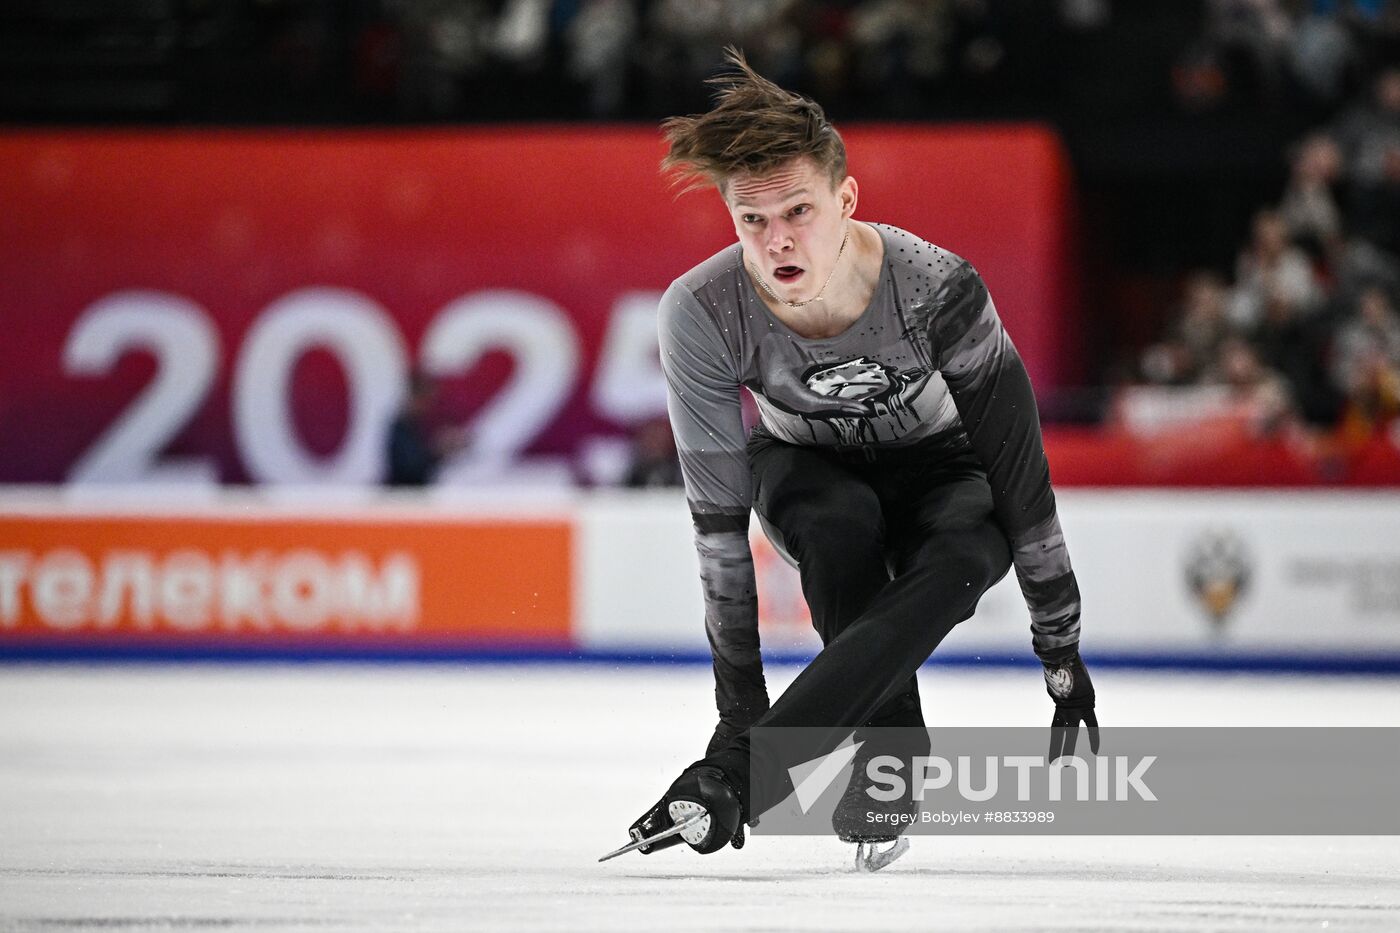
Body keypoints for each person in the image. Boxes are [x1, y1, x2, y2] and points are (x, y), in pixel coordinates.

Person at [620, 49, 1097, 862]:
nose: (776, 242)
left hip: (950, 466)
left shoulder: (939, 288)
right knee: (839, 525)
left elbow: (1020, 475)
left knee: (961, 559)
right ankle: (890, 750)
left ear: (846, 200)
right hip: (807, 466)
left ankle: (784, 771)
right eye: (752, 221)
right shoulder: (700, 311)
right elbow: (718, 532)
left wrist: (1060, 647)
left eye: (798, 211)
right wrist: (739, 710)